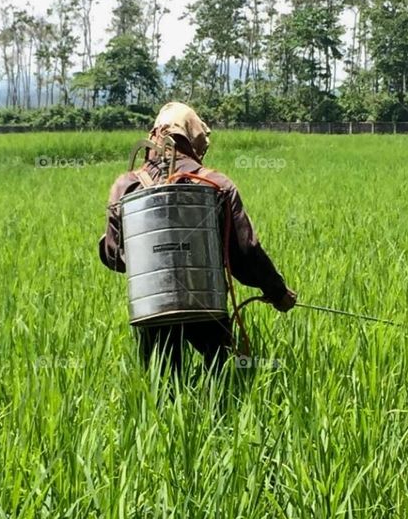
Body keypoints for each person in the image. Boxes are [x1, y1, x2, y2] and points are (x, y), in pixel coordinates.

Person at [99, 102, 296, 375]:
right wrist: (277, 292)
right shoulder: (216, 183)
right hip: (207, 304)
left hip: (154, 309)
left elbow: (114, 258)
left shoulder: (126, 185)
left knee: (162, 389)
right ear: (194, 139)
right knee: (220, 384)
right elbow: (245, 252)